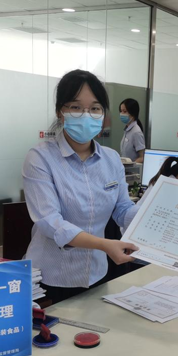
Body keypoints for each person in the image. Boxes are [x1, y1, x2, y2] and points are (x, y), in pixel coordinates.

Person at [23, 70, 139, 304]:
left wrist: (156, 217)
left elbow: (123, 209)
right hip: (51, 277)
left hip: (97, 272)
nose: (86, 115)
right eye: (76, 107)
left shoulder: (111, 159)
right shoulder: (40, 157)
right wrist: (103, 245)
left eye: (95, 108)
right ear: (60, 111)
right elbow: (51, 222)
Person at [119, 98, 145, 162]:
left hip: (132, 168)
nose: (121, 113)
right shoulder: (127, 130)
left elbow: (142, 157)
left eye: (124, 111)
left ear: (132, 113)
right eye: (121, 111)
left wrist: (131, 165)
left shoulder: (136, 132)